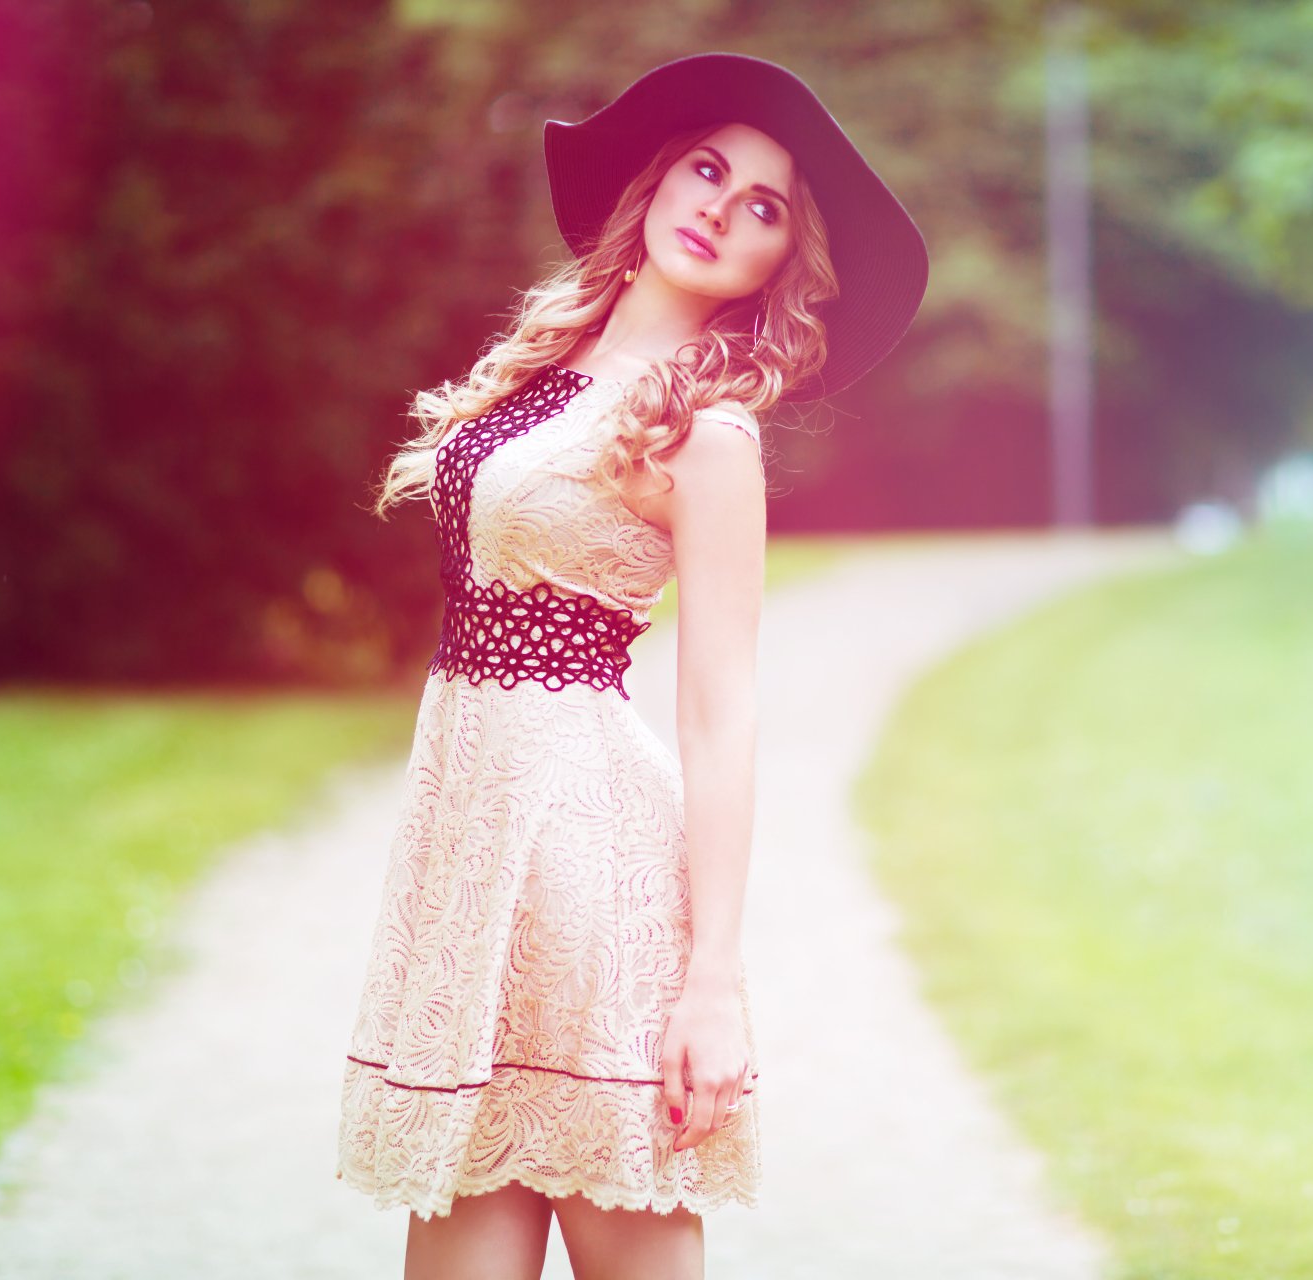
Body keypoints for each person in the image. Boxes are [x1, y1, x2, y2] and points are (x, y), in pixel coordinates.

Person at [335, 52, 928, 1280]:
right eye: (710, 171)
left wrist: (713, 980)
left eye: (765, 206)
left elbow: (722, 711)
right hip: (473, 870)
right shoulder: (544, 377)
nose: (721, 207)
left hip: (587, 870)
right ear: (658, 185)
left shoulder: (705, 433)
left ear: (780, 262)